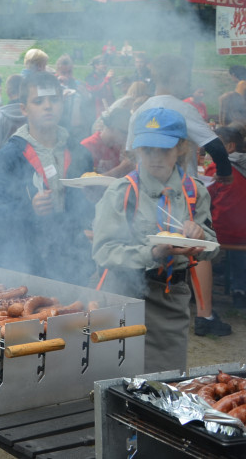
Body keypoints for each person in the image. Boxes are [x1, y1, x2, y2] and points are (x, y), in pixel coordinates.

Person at [93, 108, 219, 372]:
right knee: (118, 377)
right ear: (137, 149)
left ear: (181, 148)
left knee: (165, 380)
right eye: (148, 149)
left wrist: (199, 235)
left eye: (164, 149)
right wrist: (151, 253)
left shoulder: (194, 191)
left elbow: (210, 244)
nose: (155, 157)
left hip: (172, 299)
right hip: (125, 295)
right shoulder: (122, 192)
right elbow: (104, 252)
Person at [126, 54, 234, 336]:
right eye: (185, 76)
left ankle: (149, 306)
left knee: (153, 245)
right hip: (182, 190)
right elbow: (216, 147)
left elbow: (131, 152)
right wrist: (225, 173)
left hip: (147, 188)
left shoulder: (141, 108)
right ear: (175, 77)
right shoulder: (181, 108)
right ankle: (205, 315)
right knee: (198, 245)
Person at [0, 72, 96, 282]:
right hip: (24, 266)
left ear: (62, 103)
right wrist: (29, 208)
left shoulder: (80, 153)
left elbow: (83, 216)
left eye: (54, 100)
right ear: (24, 109)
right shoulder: (9, 157)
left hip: (70, 264)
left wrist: (92, 200)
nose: (48, 106)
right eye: (38, 101)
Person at [206, 125, 246, 309]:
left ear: (229, 147)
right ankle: (239, 289)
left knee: (197, 233)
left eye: (216, 145)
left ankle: (200, 292)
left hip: (222, 234)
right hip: (242, 233)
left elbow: (204, 199)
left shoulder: (218, 168)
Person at [80, 108, 133, 176]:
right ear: (110, 127)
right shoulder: (88, 146)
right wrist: (120, 169)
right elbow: (84, 181)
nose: (126, 137)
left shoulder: (119, 147)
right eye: (124, 132)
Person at [0, 74, 25, 160]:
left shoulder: (0, 115)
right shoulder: (32, 113)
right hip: (29, 163)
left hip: (6, 163)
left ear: (8, 91)